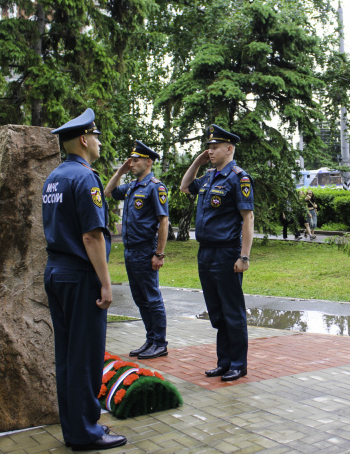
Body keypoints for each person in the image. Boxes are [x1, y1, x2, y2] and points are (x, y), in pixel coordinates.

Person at [42, 108, 126, 450]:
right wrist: (105, 283)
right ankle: (84, 432)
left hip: (57, 273)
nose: (99, 141)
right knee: (85, 354)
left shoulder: (54, 178)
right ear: (83, 139)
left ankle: (77, 425)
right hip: (80, 277)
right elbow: (92, 237)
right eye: (96, 135)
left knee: (67, 355)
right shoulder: (85, 178)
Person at [180, 125, 254, 381]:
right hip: (206, 253)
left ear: (229, 148)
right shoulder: (210, 176)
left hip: (227, 252)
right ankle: (224, 362)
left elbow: (248, 218)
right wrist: (198, 161)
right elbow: (185, 186)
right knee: (217, 312)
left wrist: (244, 257)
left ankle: (238, 363)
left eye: (214, 147)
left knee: (232, 311)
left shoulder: (238, 177)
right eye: (208, 147)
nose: (210, 151)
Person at [105, 141, 170, 359]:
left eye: (136, 160)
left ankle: (160, 342)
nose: (131, 163)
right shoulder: (133, 186)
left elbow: (164, 222)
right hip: (130, 250)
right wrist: (121, 171)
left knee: (152, 297)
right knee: (140, 298)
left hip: (145, 250)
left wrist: (159, 253)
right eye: (131, 160)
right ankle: (150, 339)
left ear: (148, 162)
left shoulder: (155, 187)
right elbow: (108, 192)